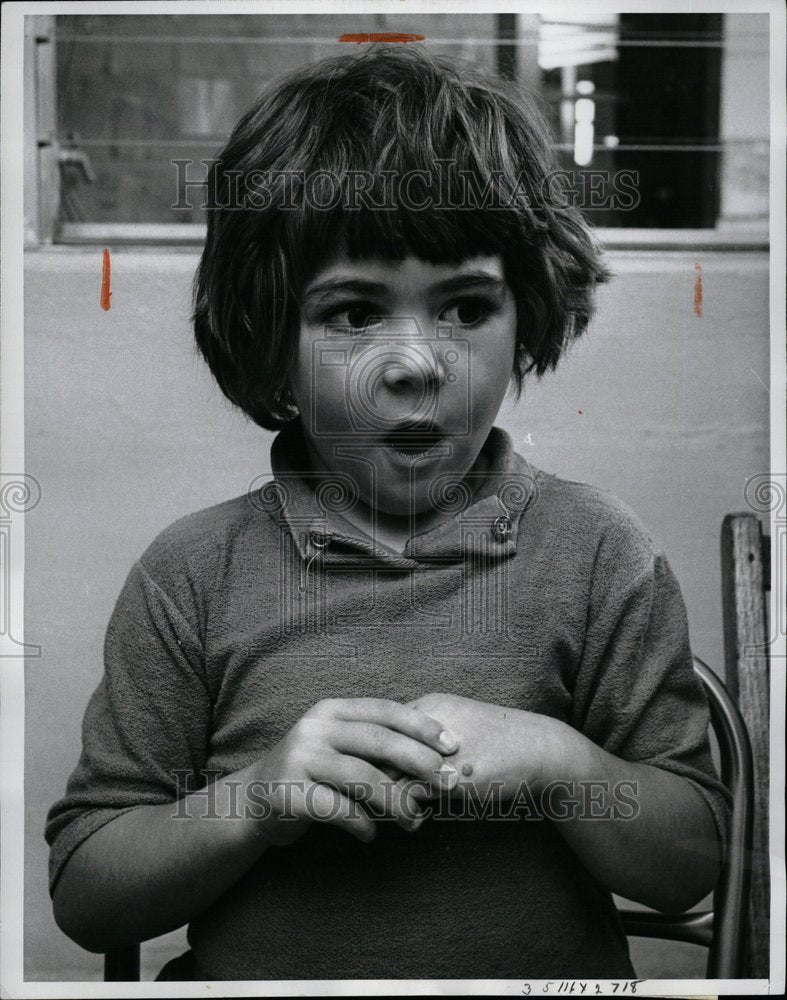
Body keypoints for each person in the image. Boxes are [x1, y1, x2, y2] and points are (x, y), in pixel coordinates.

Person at [46, 44, 728, 981]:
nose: (415, 364)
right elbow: (89, 891)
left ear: (525, 315)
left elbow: (693, 865)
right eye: (355, 314)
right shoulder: (192, 573)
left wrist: (560, 764)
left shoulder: (599, 553)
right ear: (270, 341)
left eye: (465, 307)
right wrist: (252, 800)